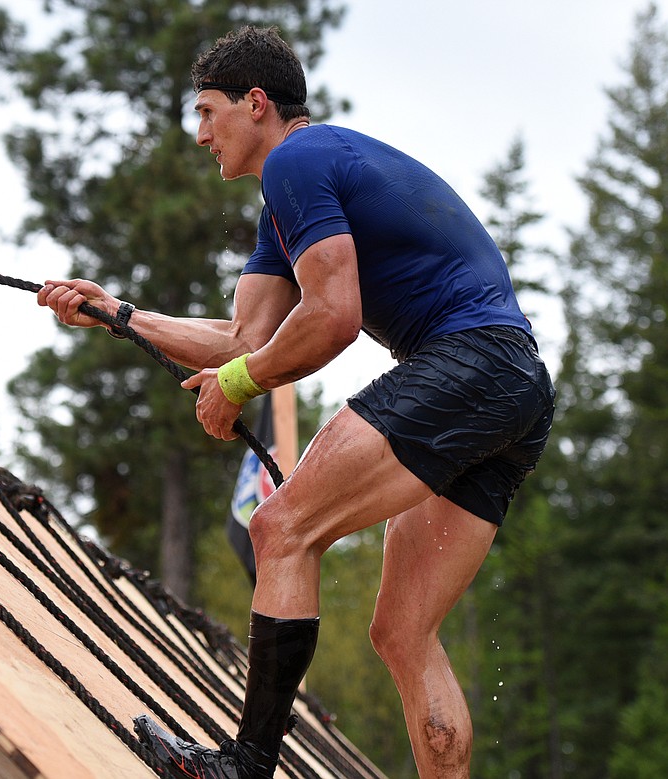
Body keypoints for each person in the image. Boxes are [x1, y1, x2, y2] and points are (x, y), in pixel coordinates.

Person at [37, 24, 555, 779]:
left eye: (207, 112)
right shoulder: (292, 199)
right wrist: (119, 314)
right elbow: (244, 335)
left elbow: (333, 317)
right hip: (513, 387)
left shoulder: (298, 162)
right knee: (403, 632)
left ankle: (246, 765)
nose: (200, 134)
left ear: (256, 104)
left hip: (469, 362)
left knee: (280, 525)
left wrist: (242, 384)